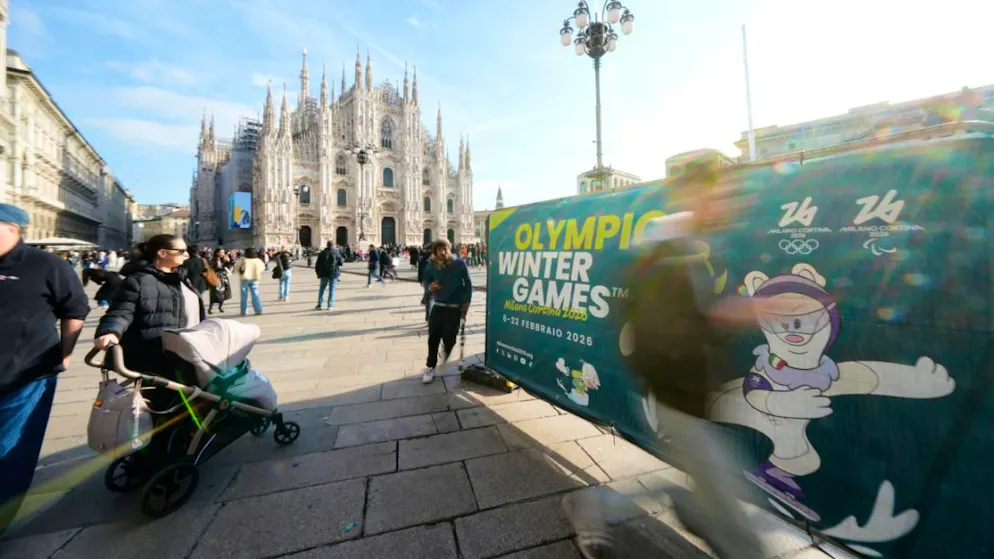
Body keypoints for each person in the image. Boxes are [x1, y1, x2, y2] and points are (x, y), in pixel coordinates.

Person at [560, 163, 768, 559]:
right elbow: (664, 325)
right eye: (717, 195)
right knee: (739, 530)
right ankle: (594, 506)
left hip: (690, 393)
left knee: (704, 497)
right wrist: (727, 316)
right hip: (675, 393)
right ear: (693, 196)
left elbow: (685, 317)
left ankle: (601, 506)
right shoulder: (667, 250)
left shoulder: (689, 246)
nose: (725, 204)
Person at [0, 204, 89, 534]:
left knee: (9, 450)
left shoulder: (47, 265)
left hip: (25, 375)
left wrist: (65, 354)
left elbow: (75, 310)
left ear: (13, 228)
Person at [93, 234, 206, 374]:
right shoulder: (137, 281)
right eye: (181, 251)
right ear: (162, 253)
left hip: (190, 355)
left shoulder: (182, 279)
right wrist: (110, 332)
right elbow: (121, 312)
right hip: (157, 361)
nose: (187, 255)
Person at [420, 239, 472, 384]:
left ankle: (446, 350)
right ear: (435, 252)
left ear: (449, 250)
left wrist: (467, 302)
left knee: (450, 339)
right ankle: (430, 366)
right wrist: (429, 289)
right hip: (438, 306)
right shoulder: (431, 266)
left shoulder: (459, 264)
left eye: (445, 249)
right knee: (433, 338)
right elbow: (426, 282)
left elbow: (467, 284)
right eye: (439, 250)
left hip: (455, 307)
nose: (443, 252)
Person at [314, 241, 344, 310]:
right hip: (333, 273)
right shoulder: (336, 252)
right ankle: (330, 305)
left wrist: (318, 273)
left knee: (322, 289)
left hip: (323, 273)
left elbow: (317, 265)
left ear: (327, 245)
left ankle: (319, 305)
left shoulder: (322, 253)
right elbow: (341, 262)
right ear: (333, 245)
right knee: (332, 289)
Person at [236, 247, 265, 316]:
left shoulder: (242, 260)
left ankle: (244, 311)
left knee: (244, 296)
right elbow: (262, 268)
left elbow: (237, 268)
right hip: (255, 278)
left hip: (244, 278)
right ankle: (258, 310)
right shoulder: (257, 260)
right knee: (255, 294)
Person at [208, 248, 233, 314]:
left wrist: (228, 261)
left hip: (223, 278)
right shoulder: (213, 260)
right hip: (216, 278)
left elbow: (229, 267)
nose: (222, 253)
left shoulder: (224, 259)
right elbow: (211, 268)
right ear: (217, 253)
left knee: (223, 293)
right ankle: (210, 308)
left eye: (223, 252)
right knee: (214, 294)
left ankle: (220, 307)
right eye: (221, 252)